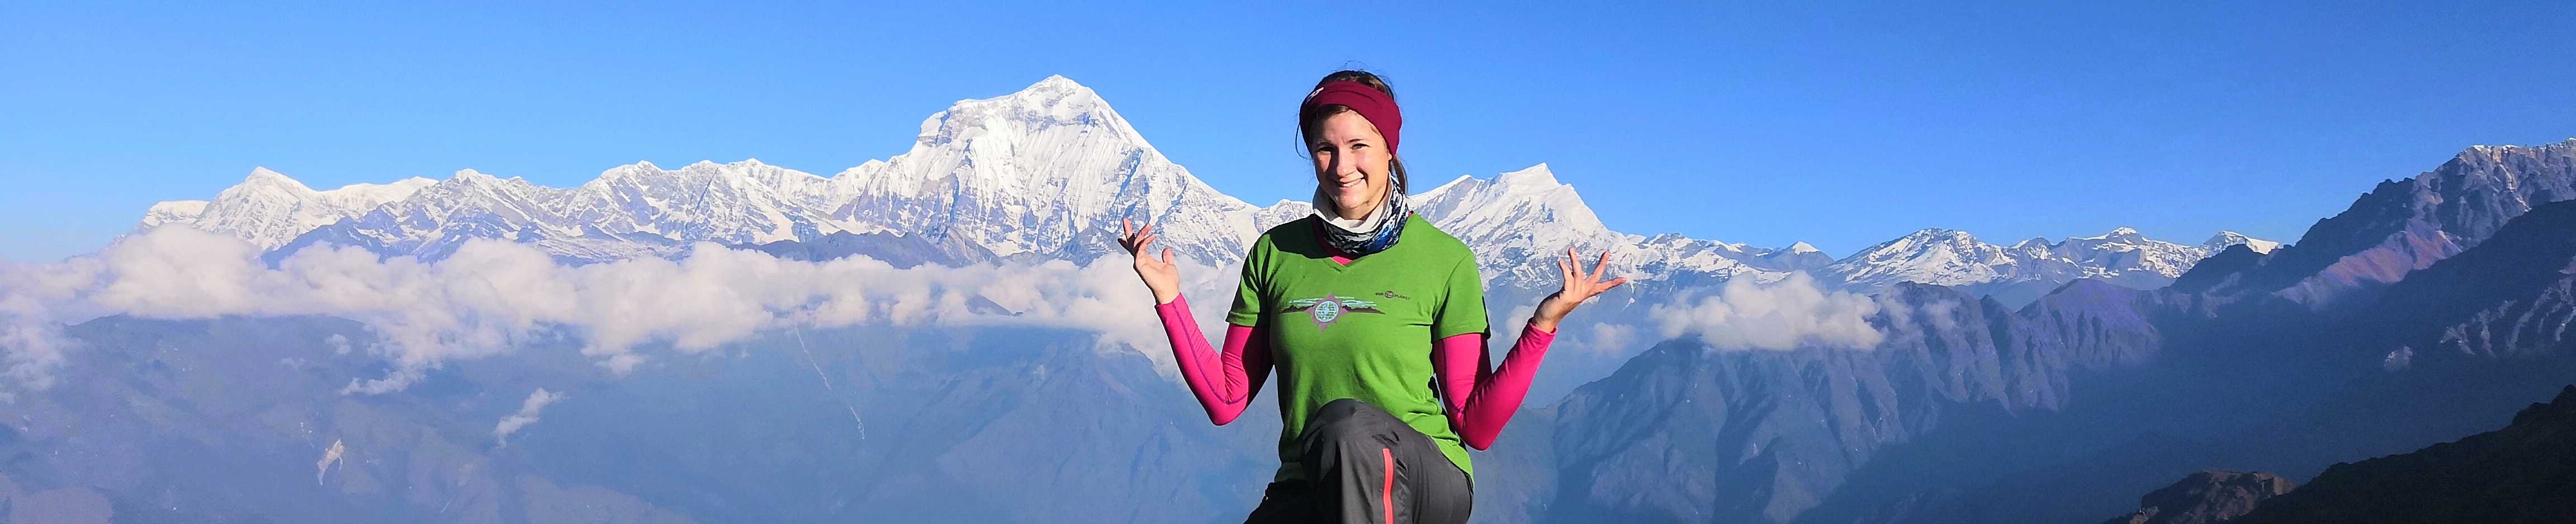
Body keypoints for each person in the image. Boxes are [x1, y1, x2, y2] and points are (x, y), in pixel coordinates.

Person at [1115, 69, 1625, 524]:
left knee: (1347, 425)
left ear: (1389, 149)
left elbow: (1476, 423)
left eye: (1359, 146)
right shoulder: (1275, 254)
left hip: (1429, 478)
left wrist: (1543, 324)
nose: (1341, 166)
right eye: (1325, 148)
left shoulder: (1444, 259)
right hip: (1312, 480)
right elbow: (1227, 399)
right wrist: (1170, 299)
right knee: (1340, 438)